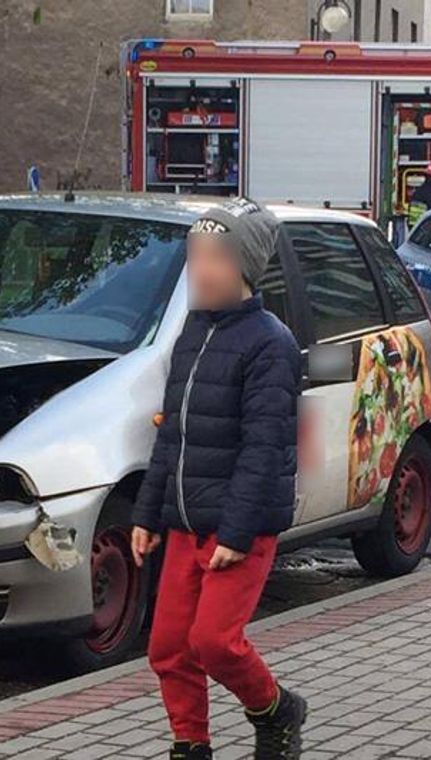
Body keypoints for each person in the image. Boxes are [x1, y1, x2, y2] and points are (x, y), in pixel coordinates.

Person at [132, 197, 305, 760]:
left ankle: (275, 709)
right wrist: (147, 514)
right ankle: (191, 745)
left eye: (216, 258)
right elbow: (173, 431)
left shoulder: (270, 344)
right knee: (168, 648)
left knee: (214, 643)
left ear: (246, 269)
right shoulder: (192, 331)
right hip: (185, 522)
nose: (200, 270)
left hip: (240, 528)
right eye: (195, 256)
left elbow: (265, 447)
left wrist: (235, 533)